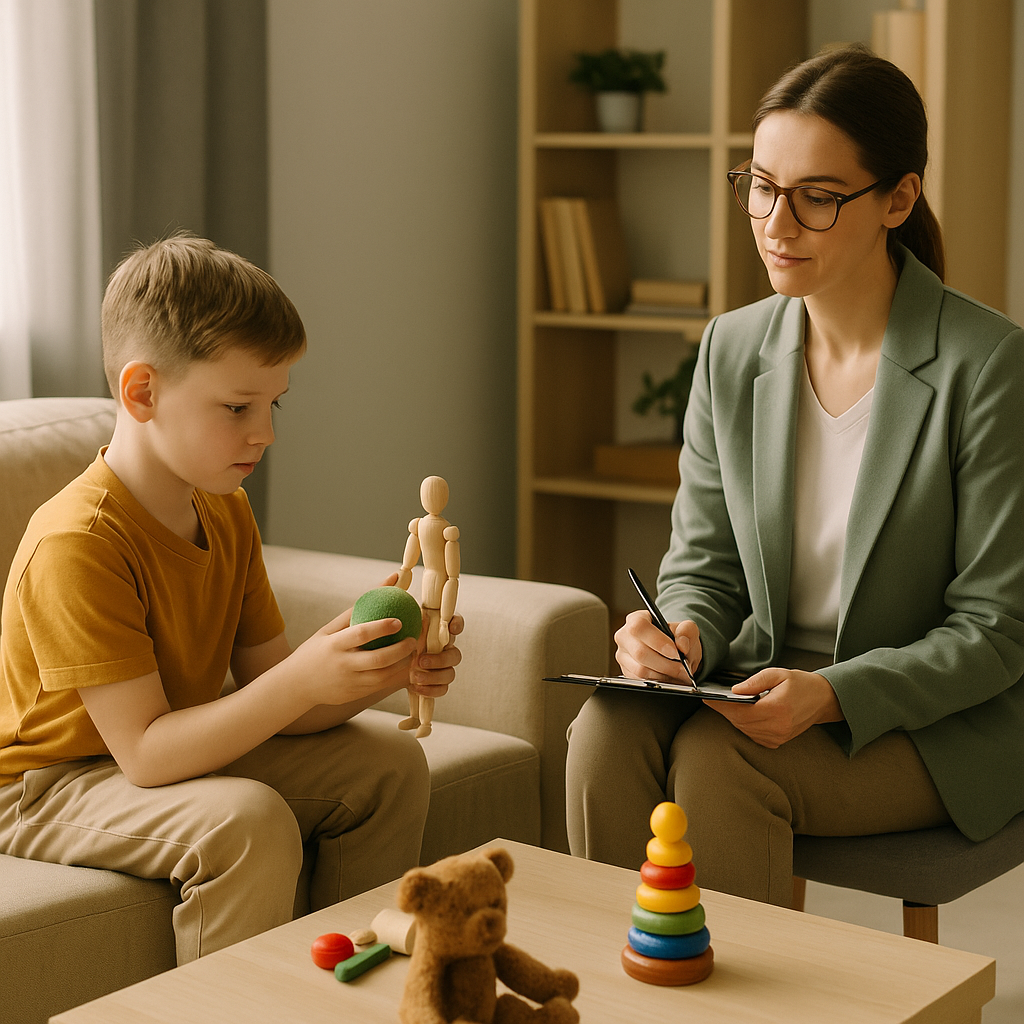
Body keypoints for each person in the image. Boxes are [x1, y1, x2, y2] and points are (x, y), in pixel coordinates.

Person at [565, 45, 1024, 907]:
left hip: (934, 720)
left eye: (817, 198)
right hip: (760, 677)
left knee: (721, 760)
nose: (777, 223)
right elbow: (703, 565)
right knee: (608, 727)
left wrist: (831, 694)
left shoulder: (987, 364)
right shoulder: (731, 349)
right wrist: (683, 634)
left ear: (898, 198)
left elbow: (996, 630)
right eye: (762, 187)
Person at [0, 235, 462, 962]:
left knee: (388, 767)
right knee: (246, 821)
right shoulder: (78, 542)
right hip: (50, 785)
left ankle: (354, 980)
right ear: (142, 392)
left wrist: (372, 670)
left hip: (155, 749)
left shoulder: (226, 510)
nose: (266, 434)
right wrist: (299, 677)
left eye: (273, 405)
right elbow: (146, 754)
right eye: (239, 408)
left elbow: (276, 694)